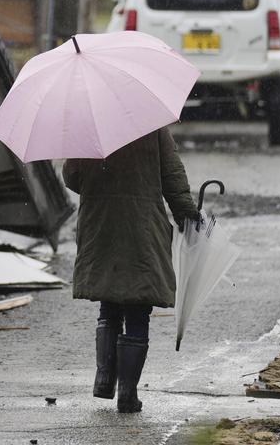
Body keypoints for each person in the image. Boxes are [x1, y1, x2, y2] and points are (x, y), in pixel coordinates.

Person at [62, 127, 200, 413]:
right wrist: (187, 216)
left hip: (100, 222)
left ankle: (104, 379)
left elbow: (72, 178)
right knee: (138, 306)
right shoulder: (152, 126)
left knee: (109, 302)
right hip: (141, 224)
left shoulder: (89, 127)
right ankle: (127, 393)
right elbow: (172, 178)